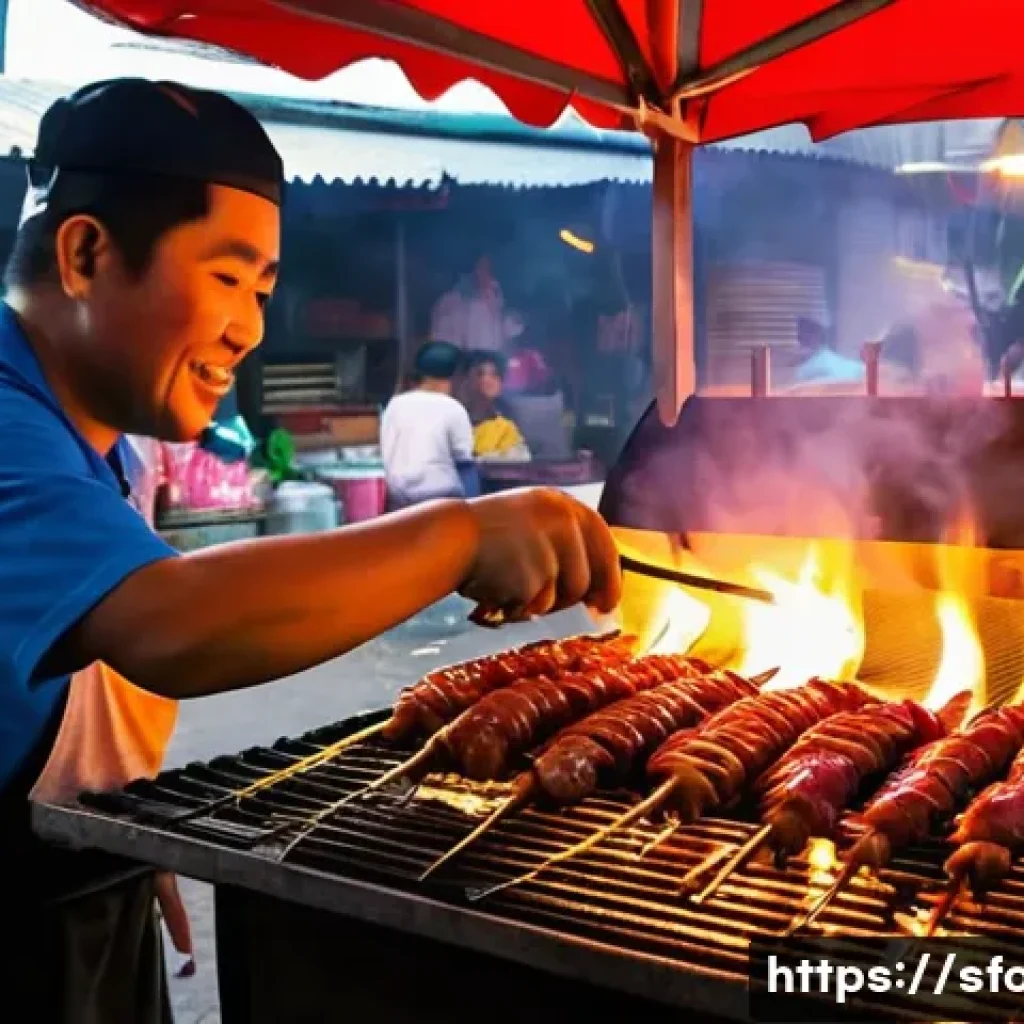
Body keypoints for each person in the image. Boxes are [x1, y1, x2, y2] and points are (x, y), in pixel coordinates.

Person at [1, 78, 621, 1022]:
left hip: (79, 881)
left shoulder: (96, 440)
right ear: (86, 252)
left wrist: (109, 824)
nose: (249, 329)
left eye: (262, 289)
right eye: (225, 277)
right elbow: (167, 622)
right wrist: (457, 534)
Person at [381, 340, 479, 508]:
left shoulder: (394, 405)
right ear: (455, 376)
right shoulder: (453, 408)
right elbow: (464, 461)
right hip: (441, 500)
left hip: (397, 499)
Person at [461, 350, 531, 461]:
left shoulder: (505, 428)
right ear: (465, 380)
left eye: (494, 375)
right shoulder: (451, 418)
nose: (486, 380)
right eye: (480, 374)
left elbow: (518, 462)